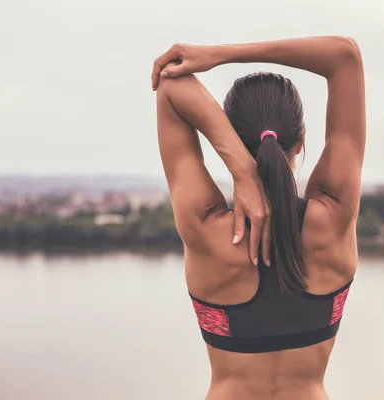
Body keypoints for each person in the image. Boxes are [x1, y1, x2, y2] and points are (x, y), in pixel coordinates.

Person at [151, 36, 365, 400]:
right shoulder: (334, 216)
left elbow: (171, 83)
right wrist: (222, 54)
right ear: (300, 142)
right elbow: (345, 56)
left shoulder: (207, 228)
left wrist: (240, 166)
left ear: (232, 138)